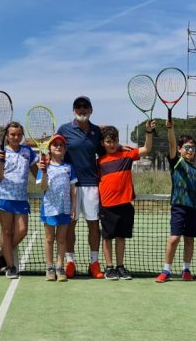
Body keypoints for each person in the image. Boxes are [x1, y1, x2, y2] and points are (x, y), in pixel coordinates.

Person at [97, 122, 154, 280]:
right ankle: (109, 268)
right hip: (107, 206)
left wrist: (149, 131)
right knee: (107, 238)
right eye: (108, 141)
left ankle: (120, 267)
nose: (112, 144)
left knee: (121, 238)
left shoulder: (127, 155)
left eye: (115, 140)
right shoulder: (99, 161)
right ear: (103, 143)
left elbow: (147, 149)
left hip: (125, 205)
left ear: (118, 140)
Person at [56, 96, 104, 279]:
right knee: (70, 226)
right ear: (73, 110)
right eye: (78, 107)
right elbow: (55, 150)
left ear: (91, 110)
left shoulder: (97, 131)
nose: (82, 109)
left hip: (92, 185)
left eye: (85, 106)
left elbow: (107, 150)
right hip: (71, 185)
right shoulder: (64, 129)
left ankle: (94, 263)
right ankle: (70, 262)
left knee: (93, 225)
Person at [156, 120, 196, 283]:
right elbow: (172, 143)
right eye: (187, 148)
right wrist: (171, 130)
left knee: (189, 240)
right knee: (174, 238)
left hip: (193, 210)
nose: (190, 151)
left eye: (192, 148)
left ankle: (186, 270)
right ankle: (166, 270)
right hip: (179, 208)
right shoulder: (176, 162)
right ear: (181, 149)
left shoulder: (195, 169)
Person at [0, 121, 37, 279]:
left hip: (21, 198)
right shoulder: (0, 153)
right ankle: (10, 267)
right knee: (6, 231)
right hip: (4, 197)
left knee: (22, 230)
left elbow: (36, 172)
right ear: (7, 136)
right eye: (12, 134)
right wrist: (1, 162)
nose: (16, 137)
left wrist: (44, 175)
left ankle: (2, 254)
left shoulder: (27, 151)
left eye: (19, 134)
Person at [37, 134, 77, 281]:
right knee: (49, 239)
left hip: (65, 209)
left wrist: (73, 207)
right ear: (50, 149)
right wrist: (43, 172)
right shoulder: (44, 167)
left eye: (61, 145)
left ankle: (60, 268)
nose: (58, 147)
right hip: (49, 208)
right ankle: (50, 267)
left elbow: (73, 190)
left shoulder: (69, 168)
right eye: (55, 144)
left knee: (61, 239)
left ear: (65, 149)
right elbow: (42, 187)